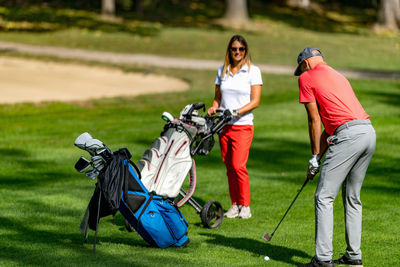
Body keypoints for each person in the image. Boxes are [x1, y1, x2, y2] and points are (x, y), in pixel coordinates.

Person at [294, 47, 376, 267]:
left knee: (323, 197)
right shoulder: (337, 75)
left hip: (348, 136)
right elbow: (330, 129)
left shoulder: (306, 77)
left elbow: (314, 120)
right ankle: (354, 255)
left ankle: (322, 259)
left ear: (305, 64)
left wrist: (313, 156)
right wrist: (317, 158)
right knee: (352, 197)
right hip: (367, 132)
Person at [207, 35, 262, 219]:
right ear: (229, 50)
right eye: (234, 49)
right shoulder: (222, 70)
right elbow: (218, 98)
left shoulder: (253, 71)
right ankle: (235, 204)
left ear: (245, 51)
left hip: (243, 125)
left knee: (239, 166)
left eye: (241, 49)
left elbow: (255, 101)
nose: (237, 52)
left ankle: (245, 205)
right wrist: (214, 107)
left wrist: (237, 111)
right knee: (229, 166)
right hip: (224, 125)